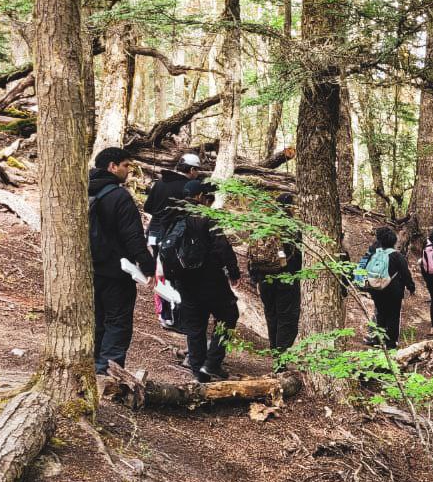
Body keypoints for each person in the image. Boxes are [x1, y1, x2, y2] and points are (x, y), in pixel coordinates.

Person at [88, 147, 156, 377]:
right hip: (117, 271)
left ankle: (93, 367)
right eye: (126, 165)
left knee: (97, 319)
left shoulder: (83, 190)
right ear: (112, 166)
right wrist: (149, 267)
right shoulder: (119, 196)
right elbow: (133, 237)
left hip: (90, 269)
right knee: (118, 321)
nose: (129, 171)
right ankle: (109, 374)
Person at [165, 179, 241, 381]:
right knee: (229, 315)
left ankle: (198, 370)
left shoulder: (173, 214)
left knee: (195, 325)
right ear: (199, 196)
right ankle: (213, 363)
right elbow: (221, 245)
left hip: (183, 279)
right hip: (209, 279)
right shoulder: (206, 216)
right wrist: (234, 272)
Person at [247, 192, 302, 357]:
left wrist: (255, 277)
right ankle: (281, 360)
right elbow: (298, 255)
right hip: (287, 280)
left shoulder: (262, 224)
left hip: (264, 278)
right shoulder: (291, 227)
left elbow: (251, 253)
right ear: (289, 206)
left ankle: (276, 355)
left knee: (272, 316)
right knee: (288, 319)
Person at [363, 225, 415, 349]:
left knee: (380, 314)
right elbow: (405, 273)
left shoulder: (374, 253)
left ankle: (378, 339)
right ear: (393, 242)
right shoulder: (397, 256)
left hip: (376, 290)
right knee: (393, 316)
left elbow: (365, 267)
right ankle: (391, 343)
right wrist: (411, 287)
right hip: (394, 292)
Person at [143, 153, 204, 241]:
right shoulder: (189, 187)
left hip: (153, 230)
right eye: (197, 170)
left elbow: (147, 207)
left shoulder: (160, 181)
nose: (198, 173)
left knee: (153, 253)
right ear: (192, 170)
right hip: (173, 234)